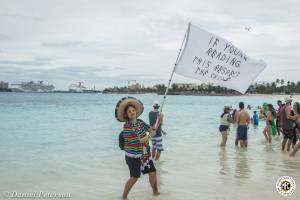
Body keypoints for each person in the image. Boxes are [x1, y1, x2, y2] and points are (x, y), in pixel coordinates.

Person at [115, 97, 159, 199]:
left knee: (152, 173)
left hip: (145, 154)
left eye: (133, 110)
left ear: (136, 112)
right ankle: (124, 197)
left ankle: (156, 193)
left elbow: (150, 128)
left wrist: (158, 121)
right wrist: (150, 134)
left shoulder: (140, 122)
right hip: (132, 157)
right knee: (134, 177)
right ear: (126, 115)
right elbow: (141, 139)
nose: (132, 112)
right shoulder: (127, 127)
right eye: (129, 112)